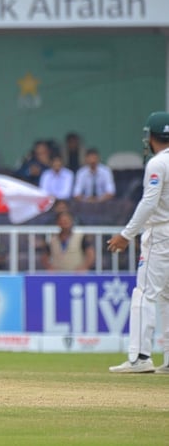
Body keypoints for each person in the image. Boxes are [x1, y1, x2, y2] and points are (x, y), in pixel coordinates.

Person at [106, 111, 169, 374]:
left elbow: (149, 203)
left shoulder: (157, 164)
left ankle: (140, 356)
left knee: (144, 292)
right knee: (166, 295)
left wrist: (127, 234)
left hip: (159, 234)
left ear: (152, 136)